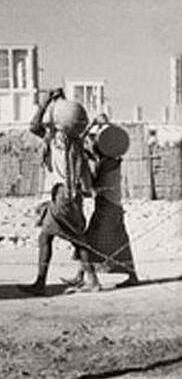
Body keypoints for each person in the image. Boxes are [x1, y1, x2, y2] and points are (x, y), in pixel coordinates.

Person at [18, 90, 100, 295]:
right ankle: (86, 279)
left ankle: (46, 282)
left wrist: (45, 103)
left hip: (62, 195)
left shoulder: (58, 139)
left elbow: (33, 126)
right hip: (69, 194)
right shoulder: (75, 140)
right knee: (63, 237)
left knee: (62, 238)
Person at [62, 115, 139, 291]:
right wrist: (103, 125)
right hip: (113, 206)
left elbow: (93, 185)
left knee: (89, 242)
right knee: (120, 244)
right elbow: (112, 138)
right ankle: (130, 276)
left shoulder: (106, 164)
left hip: (107, 207)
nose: (93, 143)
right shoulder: (113, 160)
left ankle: (89, 279)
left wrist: (91, 128)